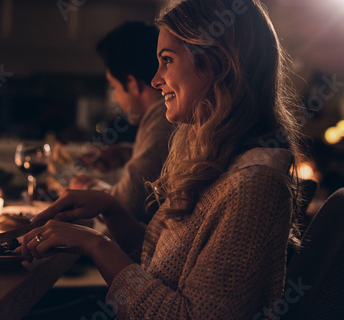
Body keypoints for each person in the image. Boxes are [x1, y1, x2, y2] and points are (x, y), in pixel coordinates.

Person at [19, 0, 304, 318]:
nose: (155, 80)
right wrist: (111, 209)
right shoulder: (218, 160)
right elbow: (167, 265)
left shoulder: (255, 185)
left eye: (167, 60)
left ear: (218, 64)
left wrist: (96, 244)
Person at [69, 21, 176, 223]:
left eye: (114, 87)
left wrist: (85, 189)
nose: (116, 98)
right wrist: (123, 154)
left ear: (132, 83)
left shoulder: (164, 117)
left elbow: (130, 205)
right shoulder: (160, 115)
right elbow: (163, 164)